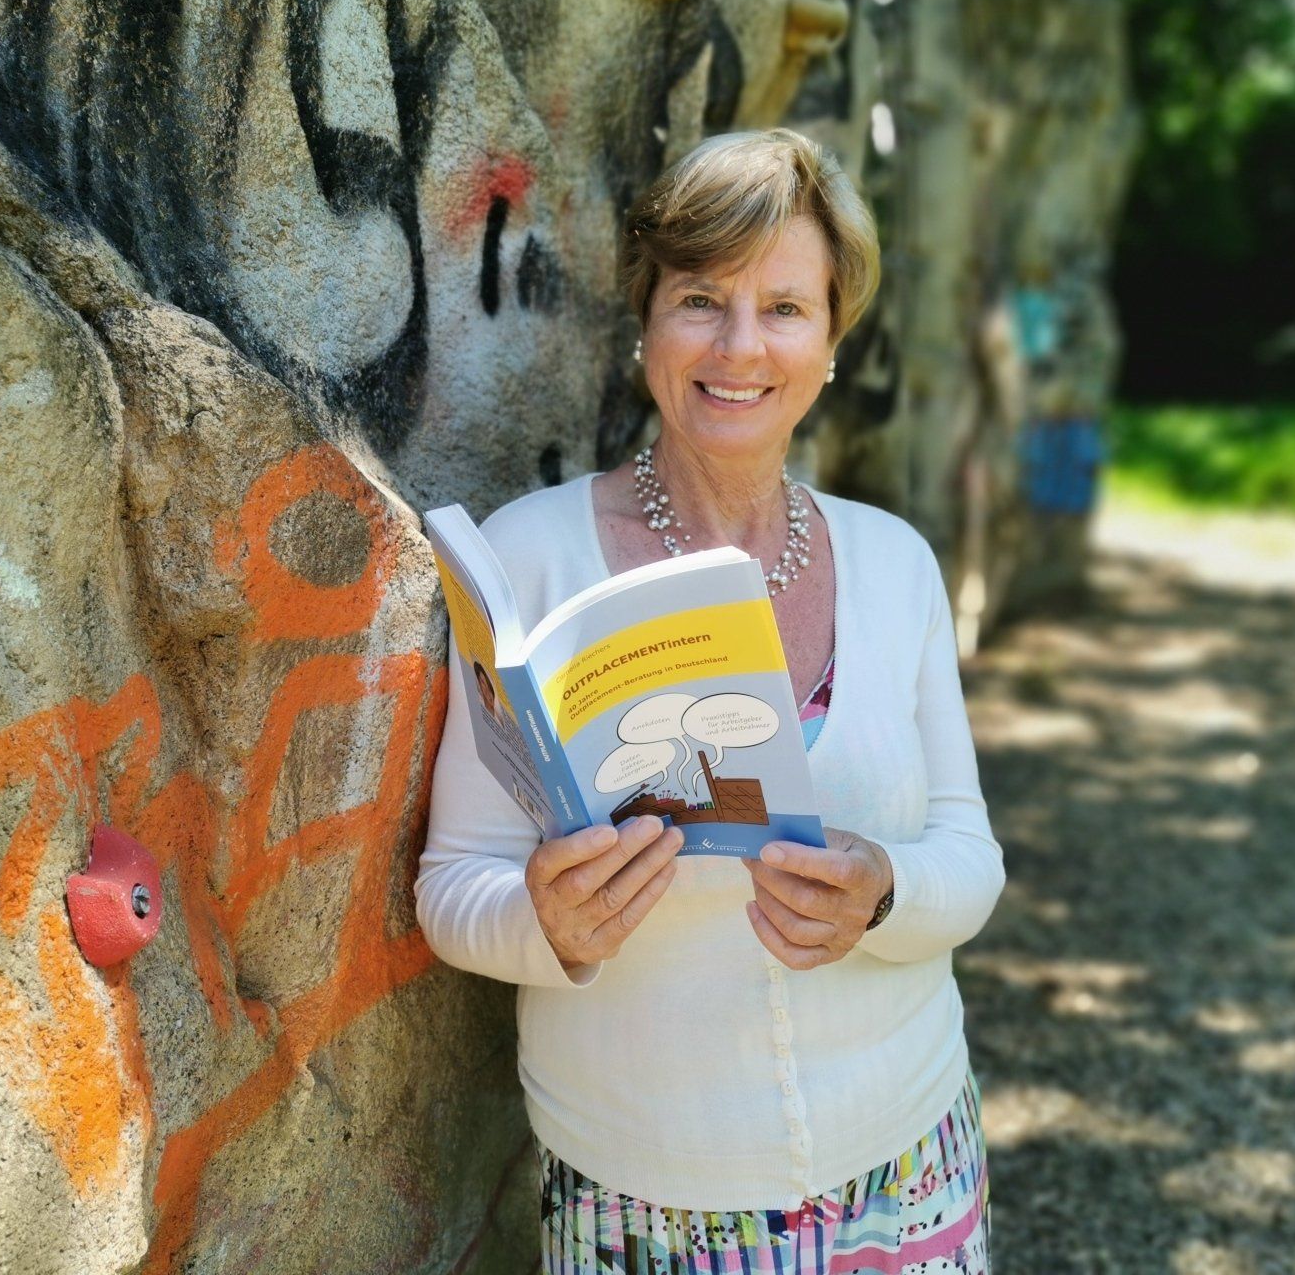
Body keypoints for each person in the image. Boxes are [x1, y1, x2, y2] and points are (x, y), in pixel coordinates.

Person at [416, 128, 1005, 1272]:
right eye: (702, 299)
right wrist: (546, 922)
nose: (740, 346)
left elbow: (969, 857)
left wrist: (883, 890)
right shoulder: (525, 558)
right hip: (648, 1200)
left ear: (832, 340)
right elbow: (453, 886)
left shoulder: (896, 563)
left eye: (785, 308)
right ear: (646, 321)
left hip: (910, 1158)